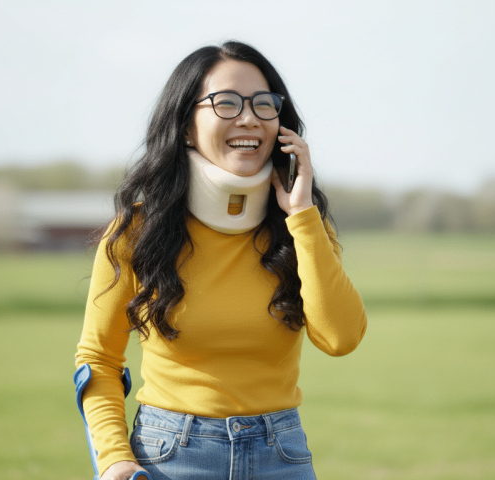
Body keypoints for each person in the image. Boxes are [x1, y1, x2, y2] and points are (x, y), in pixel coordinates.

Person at [75, 40, 367, 480]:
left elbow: (341, 338)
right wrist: (114, 457)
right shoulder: (136, 233)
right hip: (170, 456)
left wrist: (303, 217)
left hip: (281, 455)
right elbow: (98, 360)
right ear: (187, 126)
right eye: (226, 103)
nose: (248, 117)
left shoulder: (303, 228)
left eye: (263, 104)